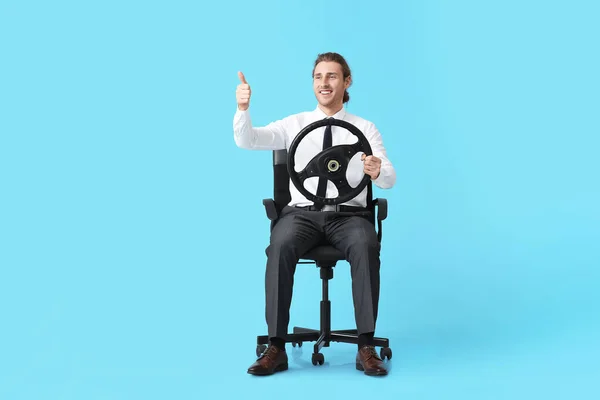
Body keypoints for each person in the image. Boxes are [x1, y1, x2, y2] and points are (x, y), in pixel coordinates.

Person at [233, 52, 396, 376]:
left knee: (366, 245)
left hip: (349, 216)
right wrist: (243, 109)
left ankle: (365, 345)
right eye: (319, 76)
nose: (324, 82)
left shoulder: (365, 128)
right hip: (302, 215)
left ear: (346, 82)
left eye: (332, 76)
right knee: (280, 245)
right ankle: (276, 347)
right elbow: (247, 141)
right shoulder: (293, 124)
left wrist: (377, 171)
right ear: (313, 83)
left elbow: (389, 177)